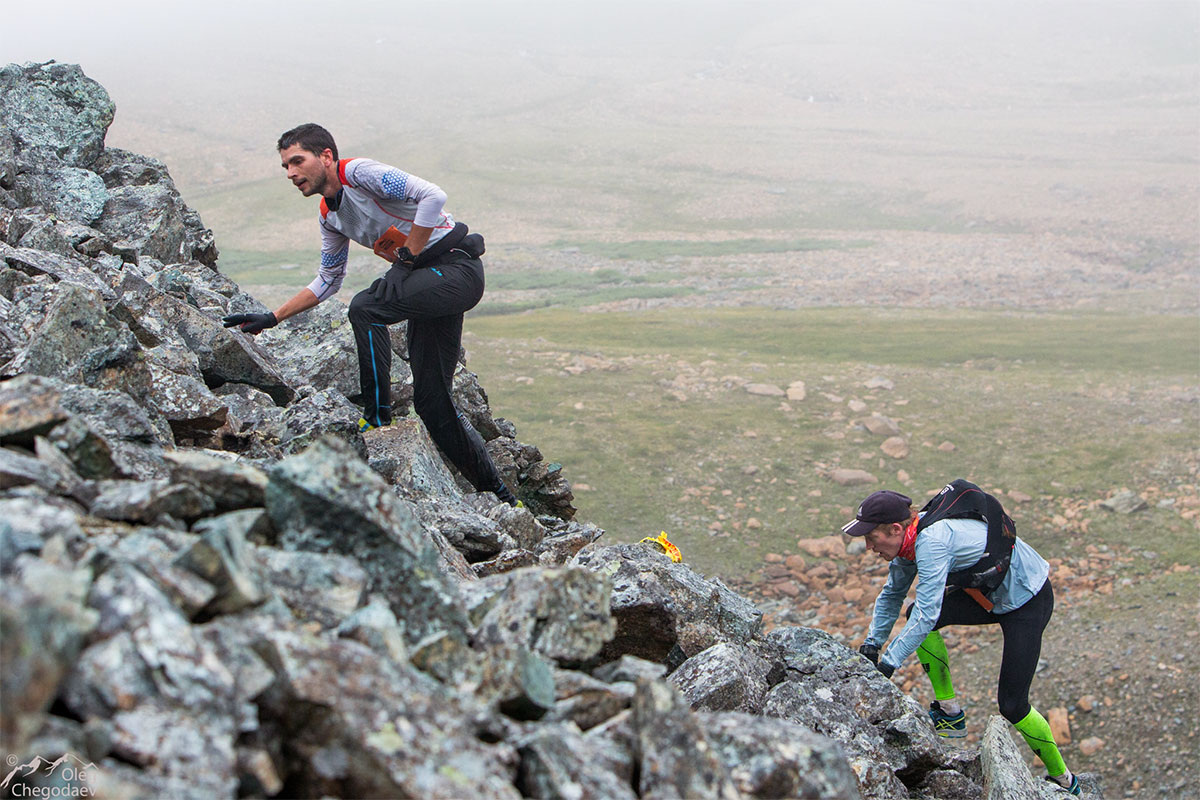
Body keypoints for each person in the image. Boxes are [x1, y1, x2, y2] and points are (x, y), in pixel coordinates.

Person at [222, 123, 518, 507]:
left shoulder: (359, 173)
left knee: (366, 308)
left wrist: (404, 260)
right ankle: (501, 496)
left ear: (326, 156)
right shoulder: (330, 215)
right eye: (285, 167)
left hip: (456, 270)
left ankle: (376, 417)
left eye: (298, 161)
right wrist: (274, 316)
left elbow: (433, 197)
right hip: (428, 280)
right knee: (432, 403)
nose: (291, 174)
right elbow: (328, 279)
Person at [842, 481, 1081, 796]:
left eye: (872, 538)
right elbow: (891, 597)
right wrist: (871, 647)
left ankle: (1065, 781)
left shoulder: (933, 541)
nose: (869, 547)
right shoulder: (906, 546)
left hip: (1028, 601)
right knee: (915, 614)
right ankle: (950, 712)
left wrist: (887, 665)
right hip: (989, 597)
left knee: (1012, 705)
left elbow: (928, 614)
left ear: (896, 529)